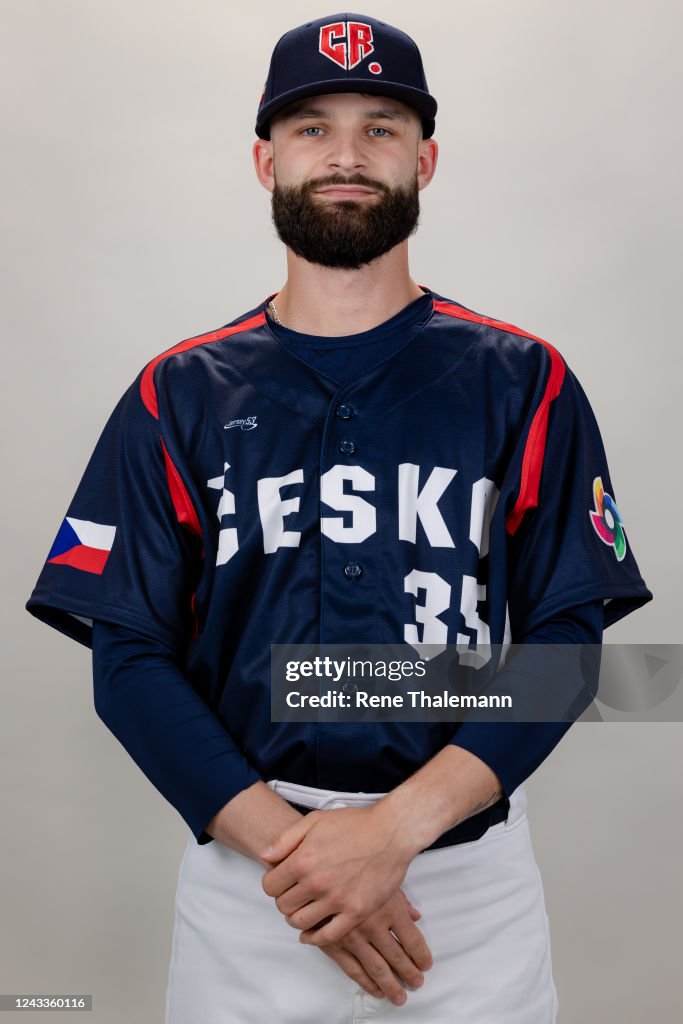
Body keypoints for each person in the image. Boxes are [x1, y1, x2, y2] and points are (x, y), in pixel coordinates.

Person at [25, 12, 653, 1023]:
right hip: (252, 877)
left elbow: (566, 646)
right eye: (312, 127)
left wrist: (391, 832)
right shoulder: (176, 393)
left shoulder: (523, 380)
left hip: (465, 881)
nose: (346, 155)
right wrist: (303, 855)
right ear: (266, 160)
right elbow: (129, 662)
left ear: (424, 159)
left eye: (380, 128)